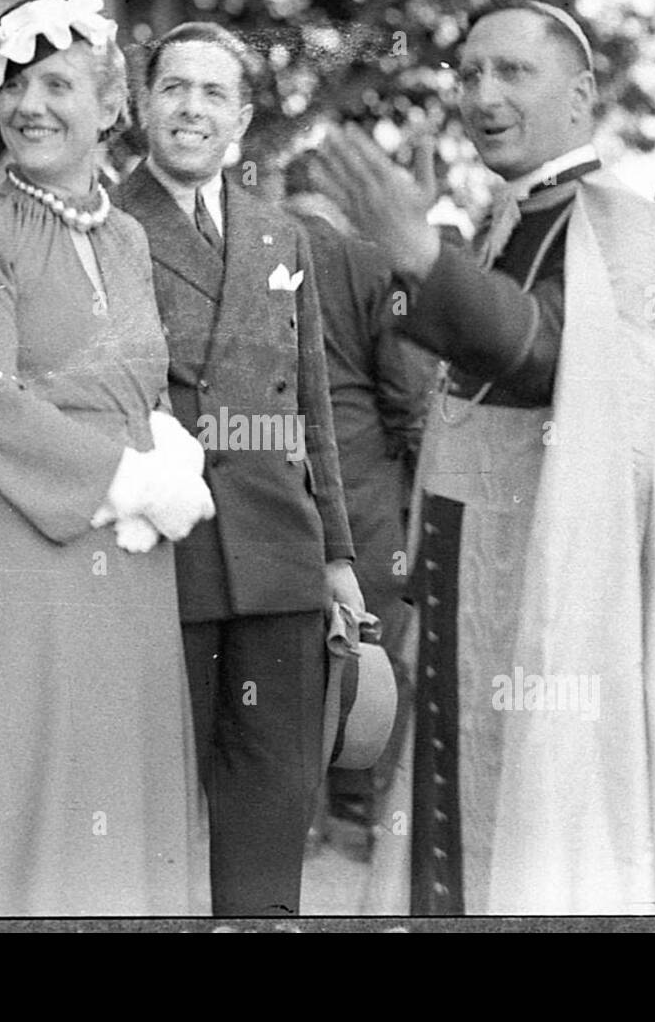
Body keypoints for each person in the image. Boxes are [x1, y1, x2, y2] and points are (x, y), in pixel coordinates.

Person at [316, 0, 655, 915]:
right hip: (475, 579)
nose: (483, 93)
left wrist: (419, 255)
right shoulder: (506, 223)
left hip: (569, 602)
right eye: (470, 73)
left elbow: (542, 353)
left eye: (513, 72)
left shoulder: (626, 231)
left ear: (581, 93)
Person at [0, 0, 213, 916]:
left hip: (134, 558)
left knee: (119, 760)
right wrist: (125, 479)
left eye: (57, 84)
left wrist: (171, 454)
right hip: (30, 541)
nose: (29, 103)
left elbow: (147, 383)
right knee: (34, 756)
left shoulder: (126, 235)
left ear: (110, 108)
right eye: (15, 82)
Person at [115, 22, 363, 917]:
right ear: (144, 106)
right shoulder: (105, 227)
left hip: (276, 551)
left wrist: (336, 554)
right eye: (174, 87)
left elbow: (314, 406)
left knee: (273, 791)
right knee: (155, 793)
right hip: (160, 547)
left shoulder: (278, 234)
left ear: (244, 119)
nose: (192, 108)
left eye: (214, 93)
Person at [283, 150, 438, 845]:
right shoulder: (371, 264)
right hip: (362, 478)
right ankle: (369, 809)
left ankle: (300, 815)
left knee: (286, 654)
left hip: (268, 474)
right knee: (372, 649)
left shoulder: (243, 252)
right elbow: (405, 392)